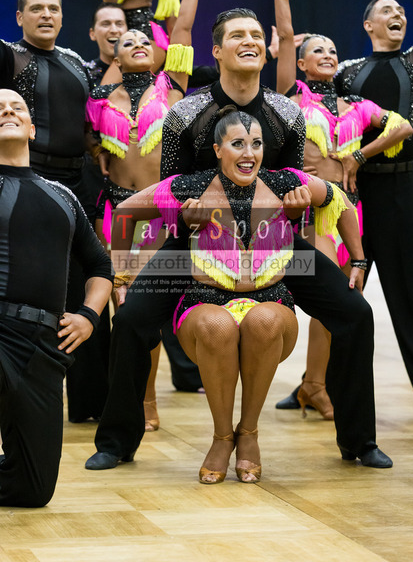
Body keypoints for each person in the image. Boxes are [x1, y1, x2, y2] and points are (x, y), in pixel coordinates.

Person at [85, 0, 392, 471]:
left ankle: (359, 440)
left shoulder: (286, 113)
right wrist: (137, 261)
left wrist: (311, 220)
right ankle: (116, 441)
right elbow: (168, 192)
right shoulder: (186, 113)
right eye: (237, 36)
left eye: (255, 35)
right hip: (194, 245)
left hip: (275, 248)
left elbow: (294, 186)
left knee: (356, 315)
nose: (249, 41)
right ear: (217, 50)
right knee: (133, 319)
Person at [110, 107, 367, 483]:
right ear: (217, 149)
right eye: (238, 144)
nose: (249, 153)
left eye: (256, 144)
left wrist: (358, 259)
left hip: (270, 298)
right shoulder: (190, 187)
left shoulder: (285, 182)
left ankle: (248, 433)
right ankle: (221, 437)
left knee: (265, 320)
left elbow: (338, 200)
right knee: (215, 326)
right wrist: (121, 275)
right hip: (205, 300)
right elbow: (124, 212)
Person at [86, 0, 221, 431]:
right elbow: (89, 144)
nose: (138, 44)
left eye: (145, 41)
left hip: (160, 214)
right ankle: (127, 398)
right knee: (121, 309)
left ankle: (149, 400)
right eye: (127, 43)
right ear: (114, 55)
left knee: (151, 308)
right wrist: (98, 151)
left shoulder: (172, 87)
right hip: (116, 214)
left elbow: (181, 27)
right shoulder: (100, 99)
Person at [276, 34, 413, 418]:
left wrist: (359, 155)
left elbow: (402, 127)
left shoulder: (355, 105)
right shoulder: (293, 101)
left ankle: (315, 384)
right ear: (301, 64)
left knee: (344, 299)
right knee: (331, 294)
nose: (328, 55)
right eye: (317, 50)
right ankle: (313, 384)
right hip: (311, 210)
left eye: (333, 50)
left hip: (349, 211)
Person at [0, 88, 113, 507]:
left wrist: (88, 316)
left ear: (32, 129)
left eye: (17, 107)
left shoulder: (62, 195)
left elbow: (100, 266)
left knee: (34, 490)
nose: (8, 111)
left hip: (44, 345)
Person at [334, 0, 413, 420]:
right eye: (387, 11)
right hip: (352, 193)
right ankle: (317, 384)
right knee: (340, 293)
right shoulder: (348, 71)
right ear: (368, 25)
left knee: (412, 295)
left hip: (399, 191)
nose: (398, 15)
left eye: (401, 11)